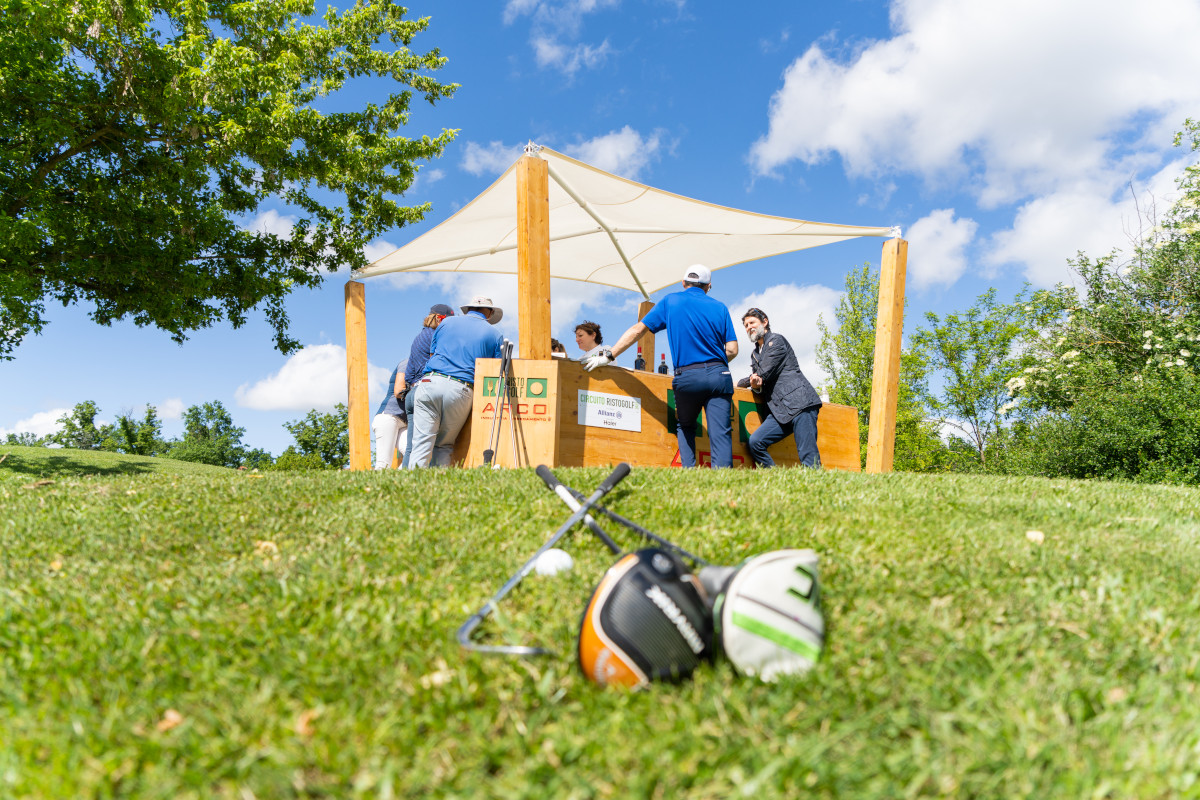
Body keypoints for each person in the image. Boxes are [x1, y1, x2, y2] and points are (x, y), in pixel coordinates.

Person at [585, 265, 739, 468]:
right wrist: (713, 364)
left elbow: (638, 330)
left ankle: (690, 473)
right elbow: (733, 349)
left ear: (683, 283)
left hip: (688, 376)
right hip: (719, 373)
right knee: (720, 433)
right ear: (708, 286)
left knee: (685, 426)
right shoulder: (720, 307)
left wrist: (610, 354)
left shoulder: (671, 300)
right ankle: (725, 481)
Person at [407, 296, 505, 468]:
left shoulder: (446, 323)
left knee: (421, 441)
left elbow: (432, 354)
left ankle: (411, 488)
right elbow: (494, 370)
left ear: (468, 309)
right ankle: (438, 488)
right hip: (460, 388)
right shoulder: (495, 335)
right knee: (443, 444)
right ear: (489, 313)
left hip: (431, 381)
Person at [738, 308, 822, 468]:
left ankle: (815, 487)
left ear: (764, 322)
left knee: (808, 456)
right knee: (755, 442)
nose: (749, 327)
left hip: (800, 404)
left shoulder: (776, 341)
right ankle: (777, 479)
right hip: (779, 412)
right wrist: (755, 386)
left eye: (752, 322)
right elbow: (759, 381)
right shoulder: (755, 354)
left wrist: (738, 383)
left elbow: (764, 372)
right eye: (746, 325)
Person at [399, 304, 456, 467]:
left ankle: (404, 484)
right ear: (439, 319)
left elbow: (408, 373)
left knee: (412, 447)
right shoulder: (436, 337)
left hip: (412, 393)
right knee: (433, 445)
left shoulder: (419, 336)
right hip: (425, 390)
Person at [373, 359, 408, 469]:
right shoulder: (407, 363)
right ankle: (376, 486)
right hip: (389, 416)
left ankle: (397, 483)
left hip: (404, 422)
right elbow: (399, 391)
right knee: (384, 464)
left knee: (414, 453)